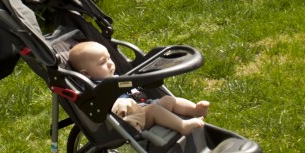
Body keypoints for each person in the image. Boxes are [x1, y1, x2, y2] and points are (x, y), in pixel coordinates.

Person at [68, 41, 210, 136]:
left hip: (144, 105)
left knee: (168, 100)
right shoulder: (91, 87)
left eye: (109, 58)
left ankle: (195, 110)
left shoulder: (113, 75)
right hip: (131, 120)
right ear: (86, 73)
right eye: (102, 63)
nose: (111, 64)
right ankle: (182, 126)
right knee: (154, 110)